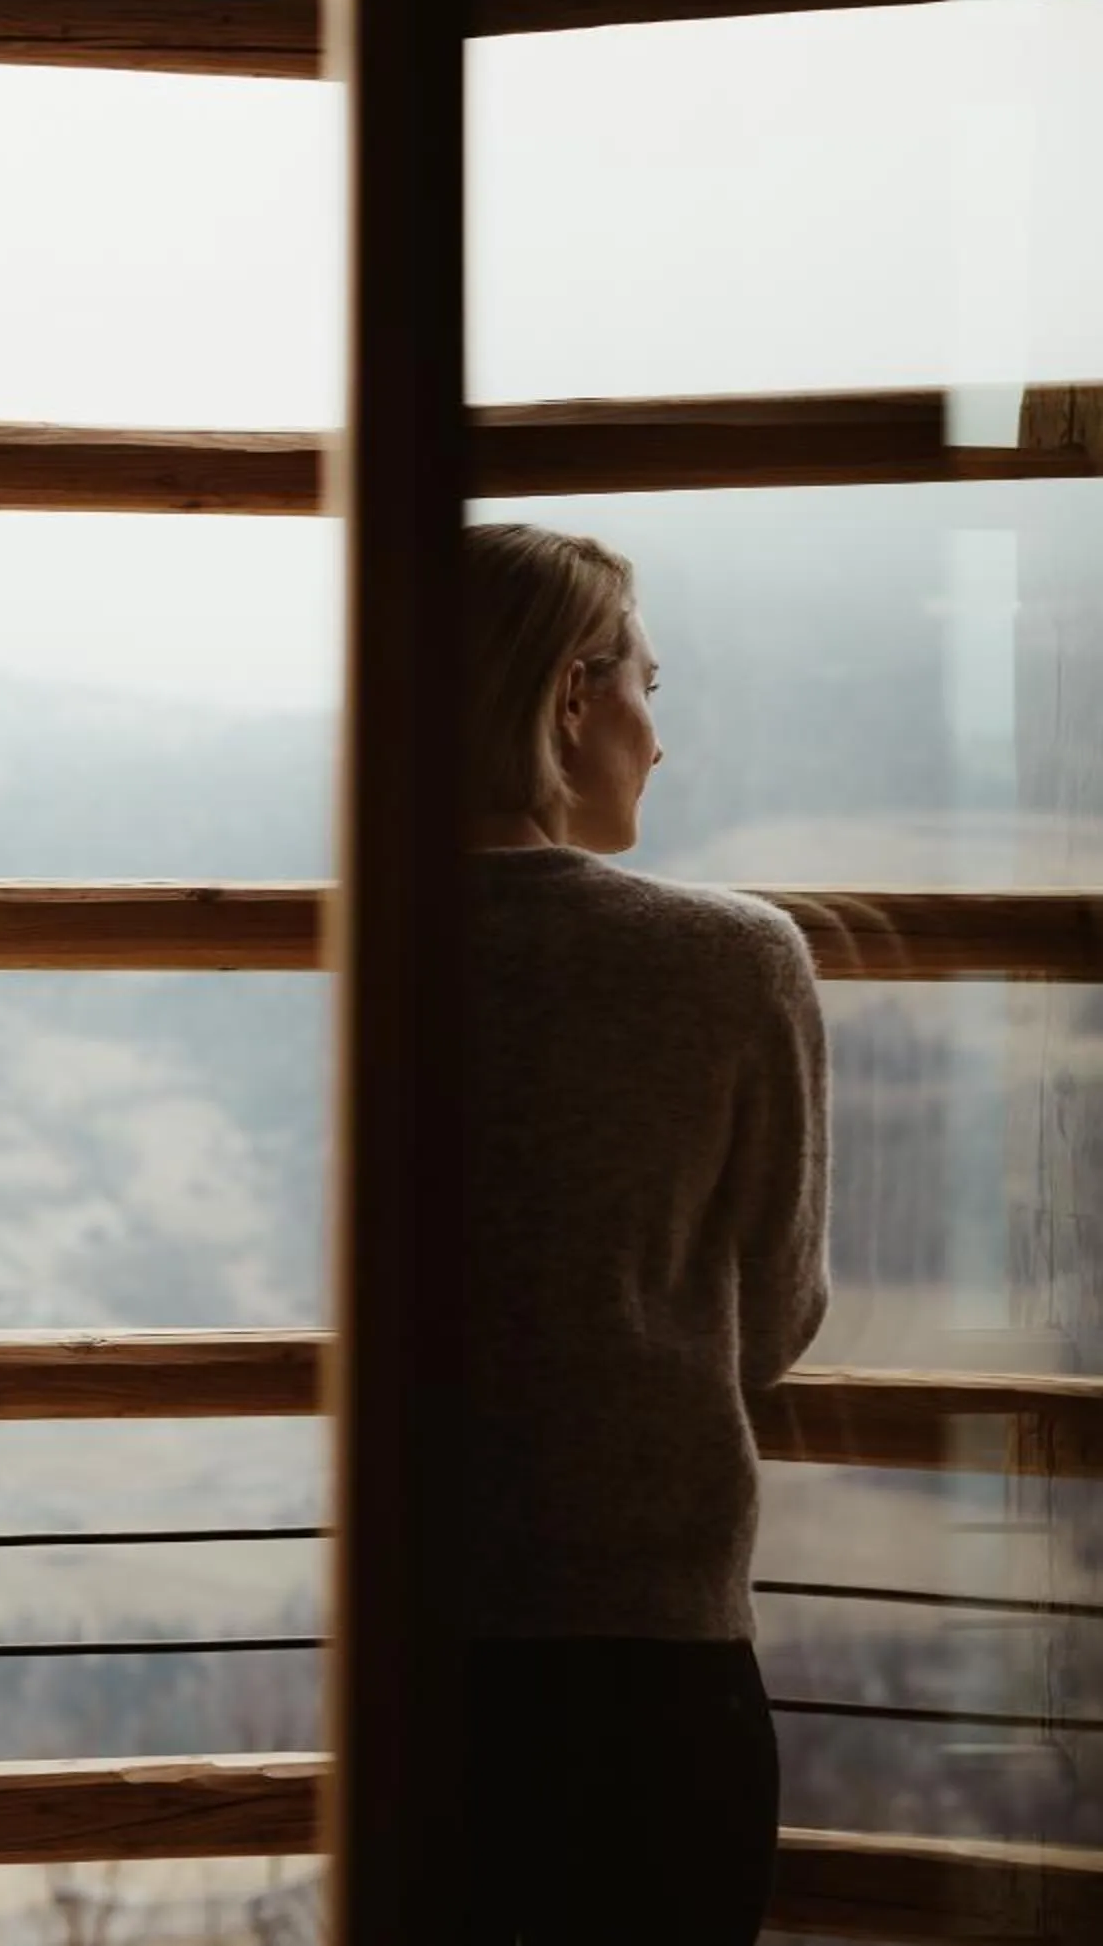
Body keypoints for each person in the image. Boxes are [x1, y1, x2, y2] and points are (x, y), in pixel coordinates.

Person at [459, 523, 832, 1943]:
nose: (656, 737)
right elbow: (778, 1315)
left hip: (415, 1644)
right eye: (648, 687)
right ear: (570, 696)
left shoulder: (383, 942)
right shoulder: (736, 959)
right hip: (651, 1640)